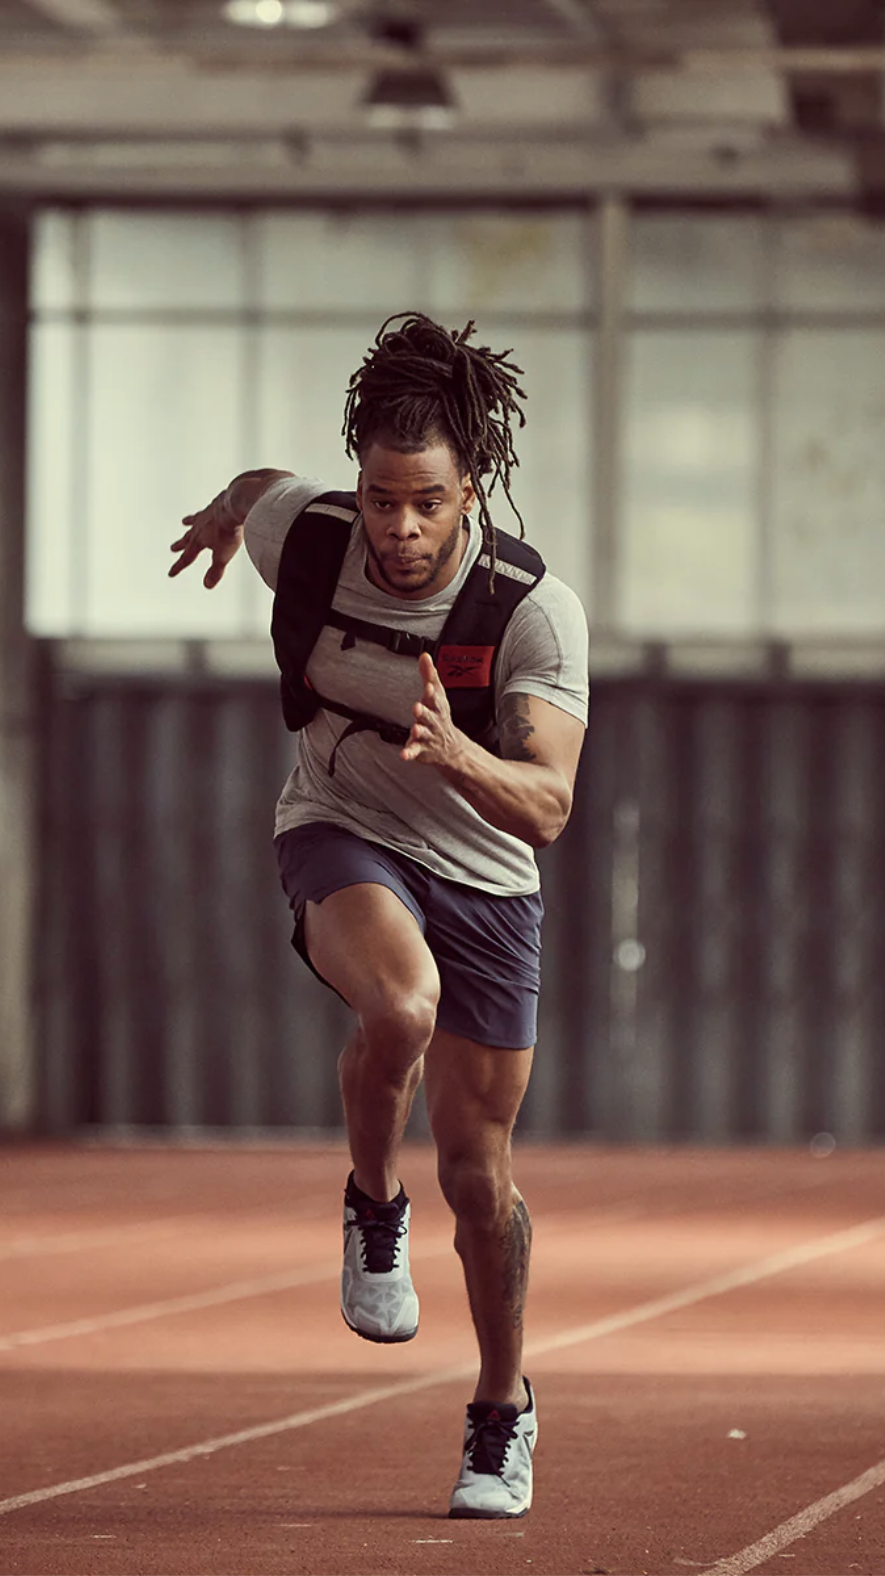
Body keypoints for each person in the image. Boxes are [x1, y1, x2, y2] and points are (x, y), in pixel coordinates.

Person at [169, 312, 588, 1519]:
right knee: (400, 1001)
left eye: (428, 504)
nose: (399, 530)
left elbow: (549, 806)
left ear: (473, 490)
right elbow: (257, 487)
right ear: (355, 481)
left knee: (480, 1169)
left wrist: (457, 750)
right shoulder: (307, 536)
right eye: (380, 499)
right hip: (342, 827)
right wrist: (215, 512)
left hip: (489, 876)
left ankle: (502, 1411)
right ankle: (369, 1206)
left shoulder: (529, 610)